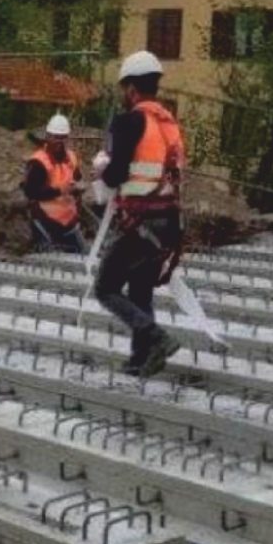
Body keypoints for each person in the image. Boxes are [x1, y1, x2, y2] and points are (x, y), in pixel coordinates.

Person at [95, 51, 185, 376]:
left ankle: (155, 337)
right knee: (140, 290)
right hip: (168, 223)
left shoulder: (130, 120)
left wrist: (102, 172)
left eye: (124, 89)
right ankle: (142, 358)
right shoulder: (168, 124)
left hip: (140, 221)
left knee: (105, 288)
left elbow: (117, 174)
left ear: (131, 88)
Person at [22, 113, 86, 253]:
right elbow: (31, 192)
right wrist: (59, 191)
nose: (59, 141)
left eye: (63, 138)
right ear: (48, 136)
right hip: (45, 224)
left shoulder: (71, 158)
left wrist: (79, 188)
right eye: (56, 137)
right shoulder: (39, 162)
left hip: (69, 222)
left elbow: (77, 179)